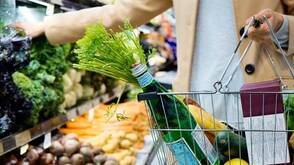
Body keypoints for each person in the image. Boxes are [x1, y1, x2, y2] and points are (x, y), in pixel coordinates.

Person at [13, 0, 294, 125]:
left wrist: (281, 28)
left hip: (267, 107)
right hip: (197, 111)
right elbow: (121, 12)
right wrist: (50, 26)